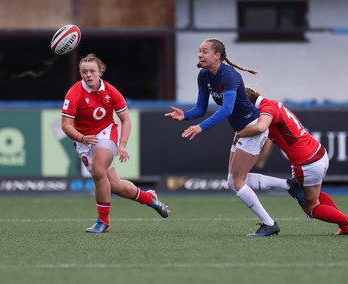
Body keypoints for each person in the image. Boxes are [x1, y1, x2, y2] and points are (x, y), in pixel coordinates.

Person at [165, 38, 280, 237]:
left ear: (217, 56)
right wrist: (186, 115)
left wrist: (201, 127)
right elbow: (201, 108)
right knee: (232, 182)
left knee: (237, 183)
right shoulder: (204, 76)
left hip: (253, 129)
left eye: (205, 51)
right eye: (199, 51)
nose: (200, 55)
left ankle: (269, 223)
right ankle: (288, 185)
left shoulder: (229, 76)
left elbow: (227, 109)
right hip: (242, 130)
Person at [236, 87, 348, 236]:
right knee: (315, 194)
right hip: (318, 153)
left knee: (310, 207)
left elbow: (261, 127)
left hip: (306, 163)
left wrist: (240, 134)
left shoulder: (266, 109)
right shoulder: (271, 104)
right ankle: (346, 227)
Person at [61, 53, 169, 233]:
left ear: (100, 72)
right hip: (84, 140)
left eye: (92, 71)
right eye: (84, 71)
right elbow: (66, 125)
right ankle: (149, 198)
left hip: (106, 133)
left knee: (97, 171)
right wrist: (81, 138)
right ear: (80, 73)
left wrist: (122, 144)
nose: (88, 75)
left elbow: (125, 120)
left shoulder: (111, 92)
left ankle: (103, 222)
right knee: (115, 186)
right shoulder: (74, 93)